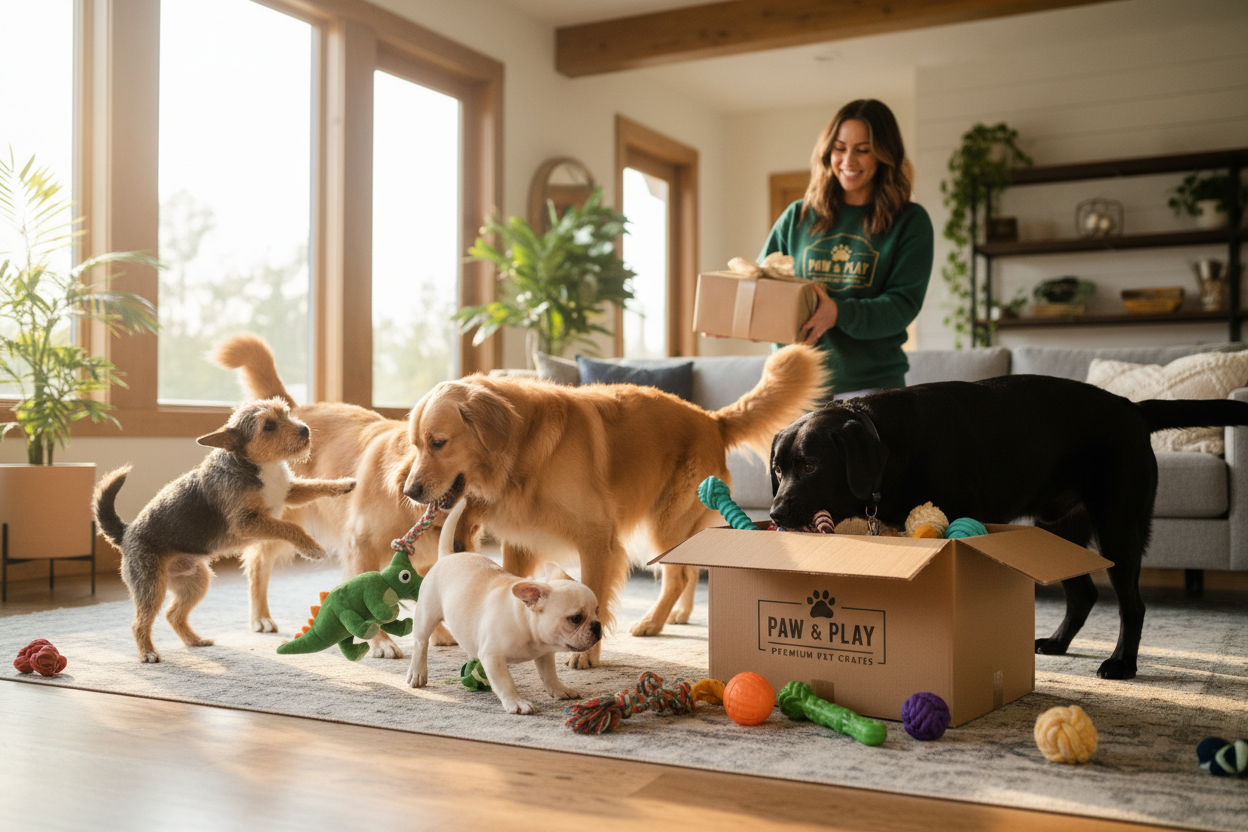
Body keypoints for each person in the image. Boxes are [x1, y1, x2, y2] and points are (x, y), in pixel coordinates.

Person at [759, 99, 934, 400]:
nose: (848, 161)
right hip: (795, 386)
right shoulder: (797, 216)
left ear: (884, 155)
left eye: (862, 150)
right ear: (827, 152)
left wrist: (838, 312)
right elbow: (762, 283)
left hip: (871, 386)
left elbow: (902, 306)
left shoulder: (910, 222)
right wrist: (731, 315)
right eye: (839, 148)